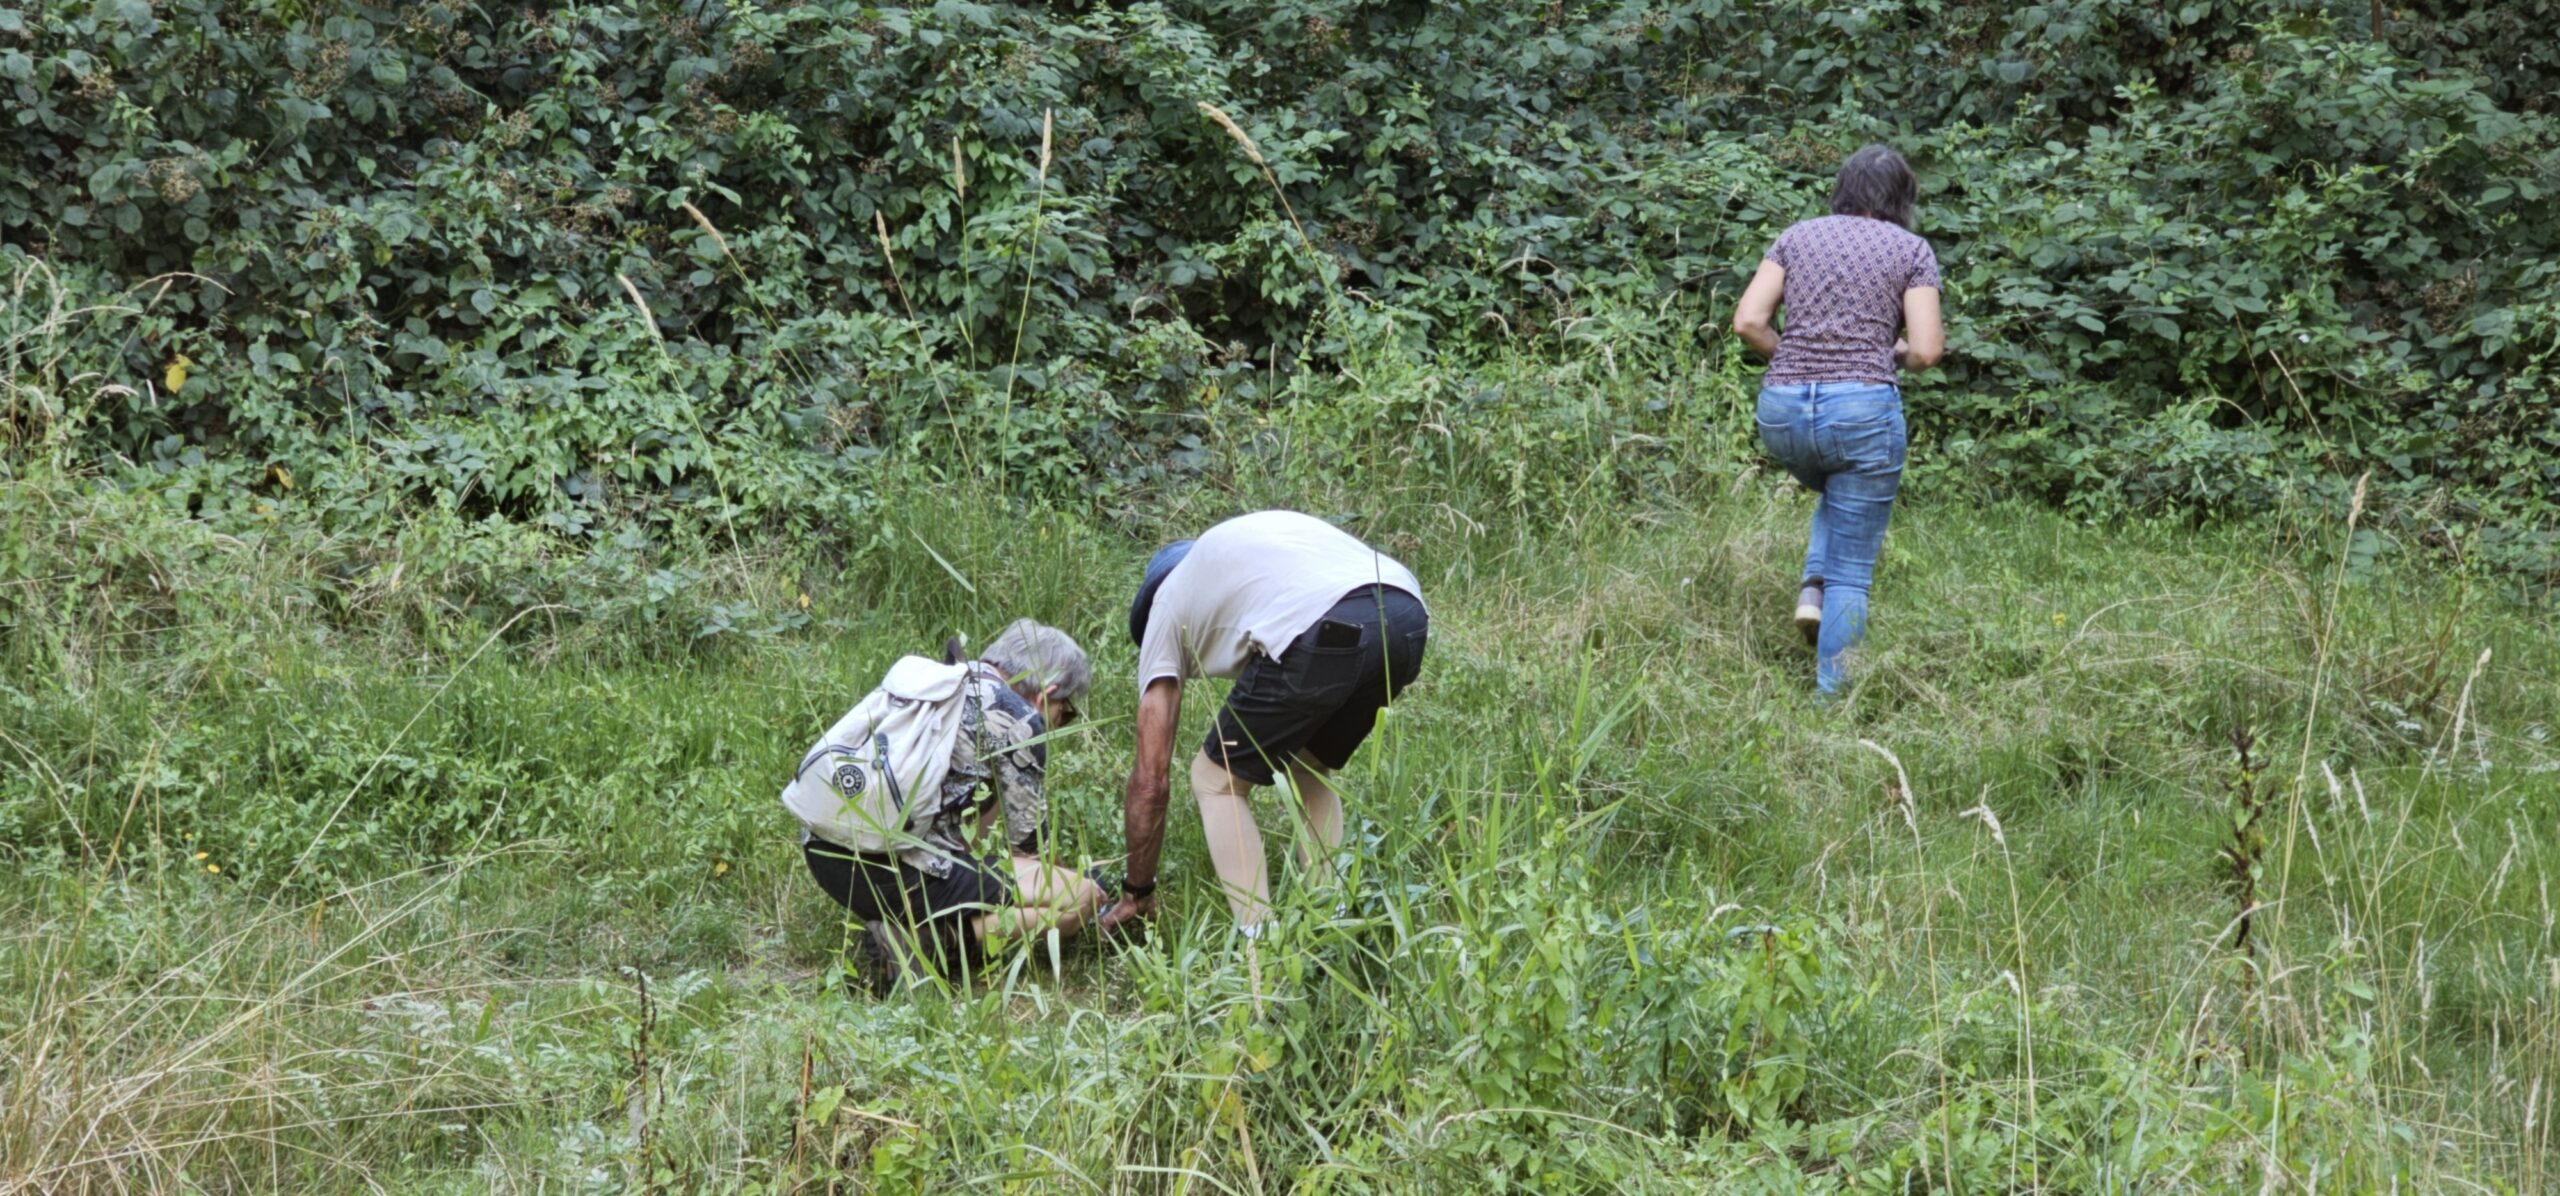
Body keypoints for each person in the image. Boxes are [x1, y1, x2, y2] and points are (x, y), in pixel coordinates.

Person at [1096, 510, 1428, 938]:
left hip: (1323, 622)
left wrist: (1136, 889)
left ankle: (1262, 947)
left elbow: (1150, 781)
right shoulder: (1245, 558)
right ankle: (1333, 922)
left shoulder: (1165, 603)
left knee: (1216, 780)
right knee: (1308, 764)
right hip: (1406, 617)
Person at [1730, 143, 1945, 696]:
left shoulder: (1796, 236)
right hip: (1861, 413)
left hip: (1781, 415)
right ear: (1902, 199)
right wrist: (1886, 354)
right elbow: (1924, 352)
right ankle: (1833, 707)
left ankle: (1811, 587)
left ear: (1843, 189)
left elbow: (1750, 322)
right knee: (1854, 567)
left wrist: (1797, 358)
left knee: (1837, 485)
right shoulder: (1911, 249)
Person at [798, 619, 1105, 991]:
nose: (1060, 723)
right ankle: (928, 946)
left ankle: (907, 927)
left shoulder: (937, 683)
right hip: (896, 873)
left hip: (824, 855)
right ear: (1047, 693)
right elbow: (1032, 854)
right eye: (1065, 712)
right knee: (1080, 898)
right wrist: (1080, 880)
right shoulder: (1020, 721)